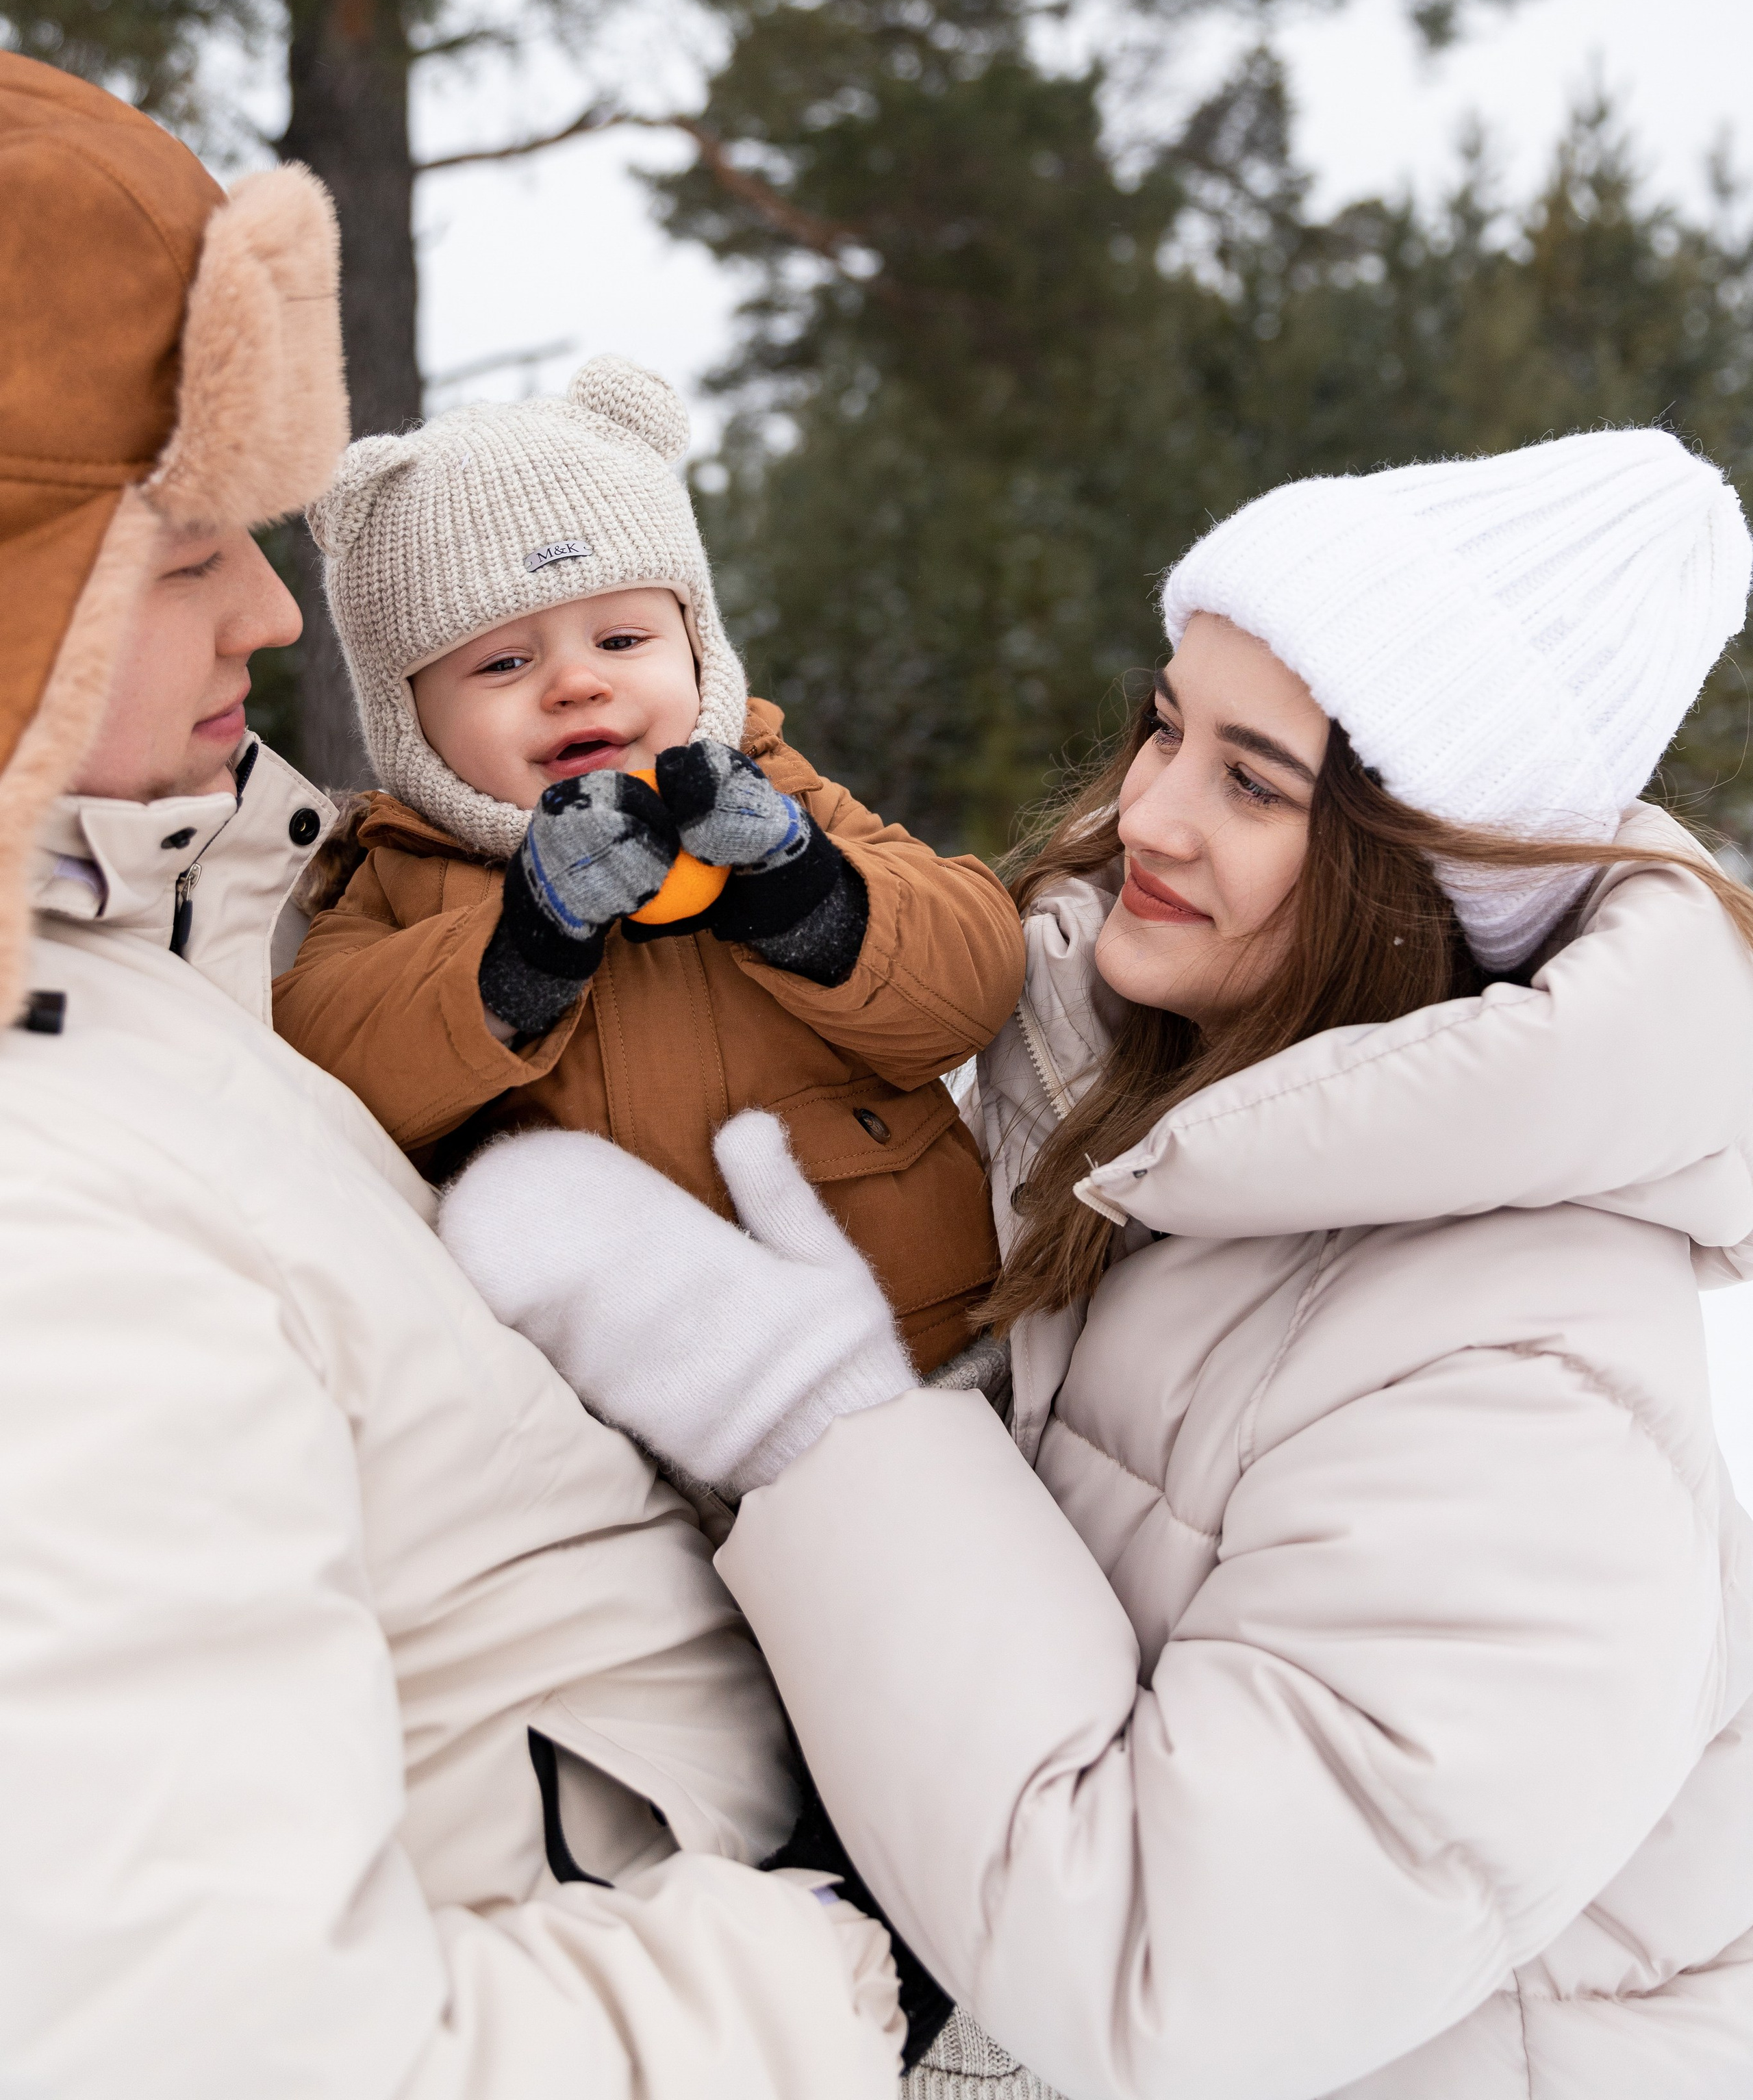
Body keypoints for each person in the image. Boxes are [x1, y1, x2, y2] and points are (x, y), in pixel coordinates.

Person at [440, 429, 1753, 2098]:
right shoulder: (1107, 1099)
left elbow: (1178, 1983)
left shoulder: (1535, 1394)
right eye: (1164, 726)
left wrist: (815, 1421)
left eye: (1250, 783)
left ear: (1423, 875)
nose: (1147, 810)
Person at [0, 52, 903, 2098]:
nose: (267, 607)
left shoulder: (166, 927)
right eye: (183, 550)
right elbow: (224, 2052)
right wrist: (839, 1978)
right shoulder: (41, 1231)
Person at [272, 368, 1023, 1371]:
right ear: (410, 720)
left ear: (698, 651)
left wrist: (810, 898)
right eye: (503, 663)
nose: (577, 683)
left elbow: (977, 983)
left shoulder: (783, 798)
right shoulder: (405, 872)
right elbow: (326, 1061)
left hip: (918, 1348)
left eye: (623, 639)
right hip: (610, 1407)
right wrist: (520, 953)